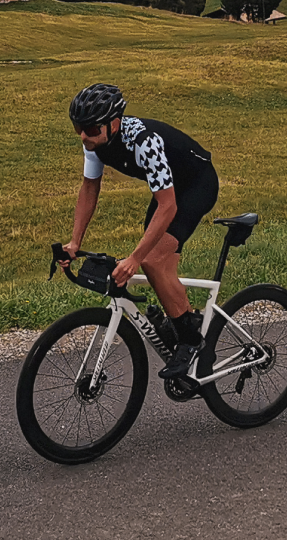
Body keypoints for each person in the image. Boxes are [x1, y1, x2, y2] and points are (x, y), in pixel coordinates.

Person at [60, 83, 219, 382]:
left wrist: (134, 257)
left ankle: (190, 340)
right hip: (169, 187)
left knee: (152, 259)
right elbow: (90, 188)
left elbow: (168, 207)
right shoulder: (95, 142)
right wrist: (74, 242)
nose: (84, 135)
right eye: (79, 127)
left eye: (91, 129)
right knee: (160, 265)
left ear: (114, 122)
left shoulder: (144, 141)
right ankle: (184, 318)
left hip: (196, 184)